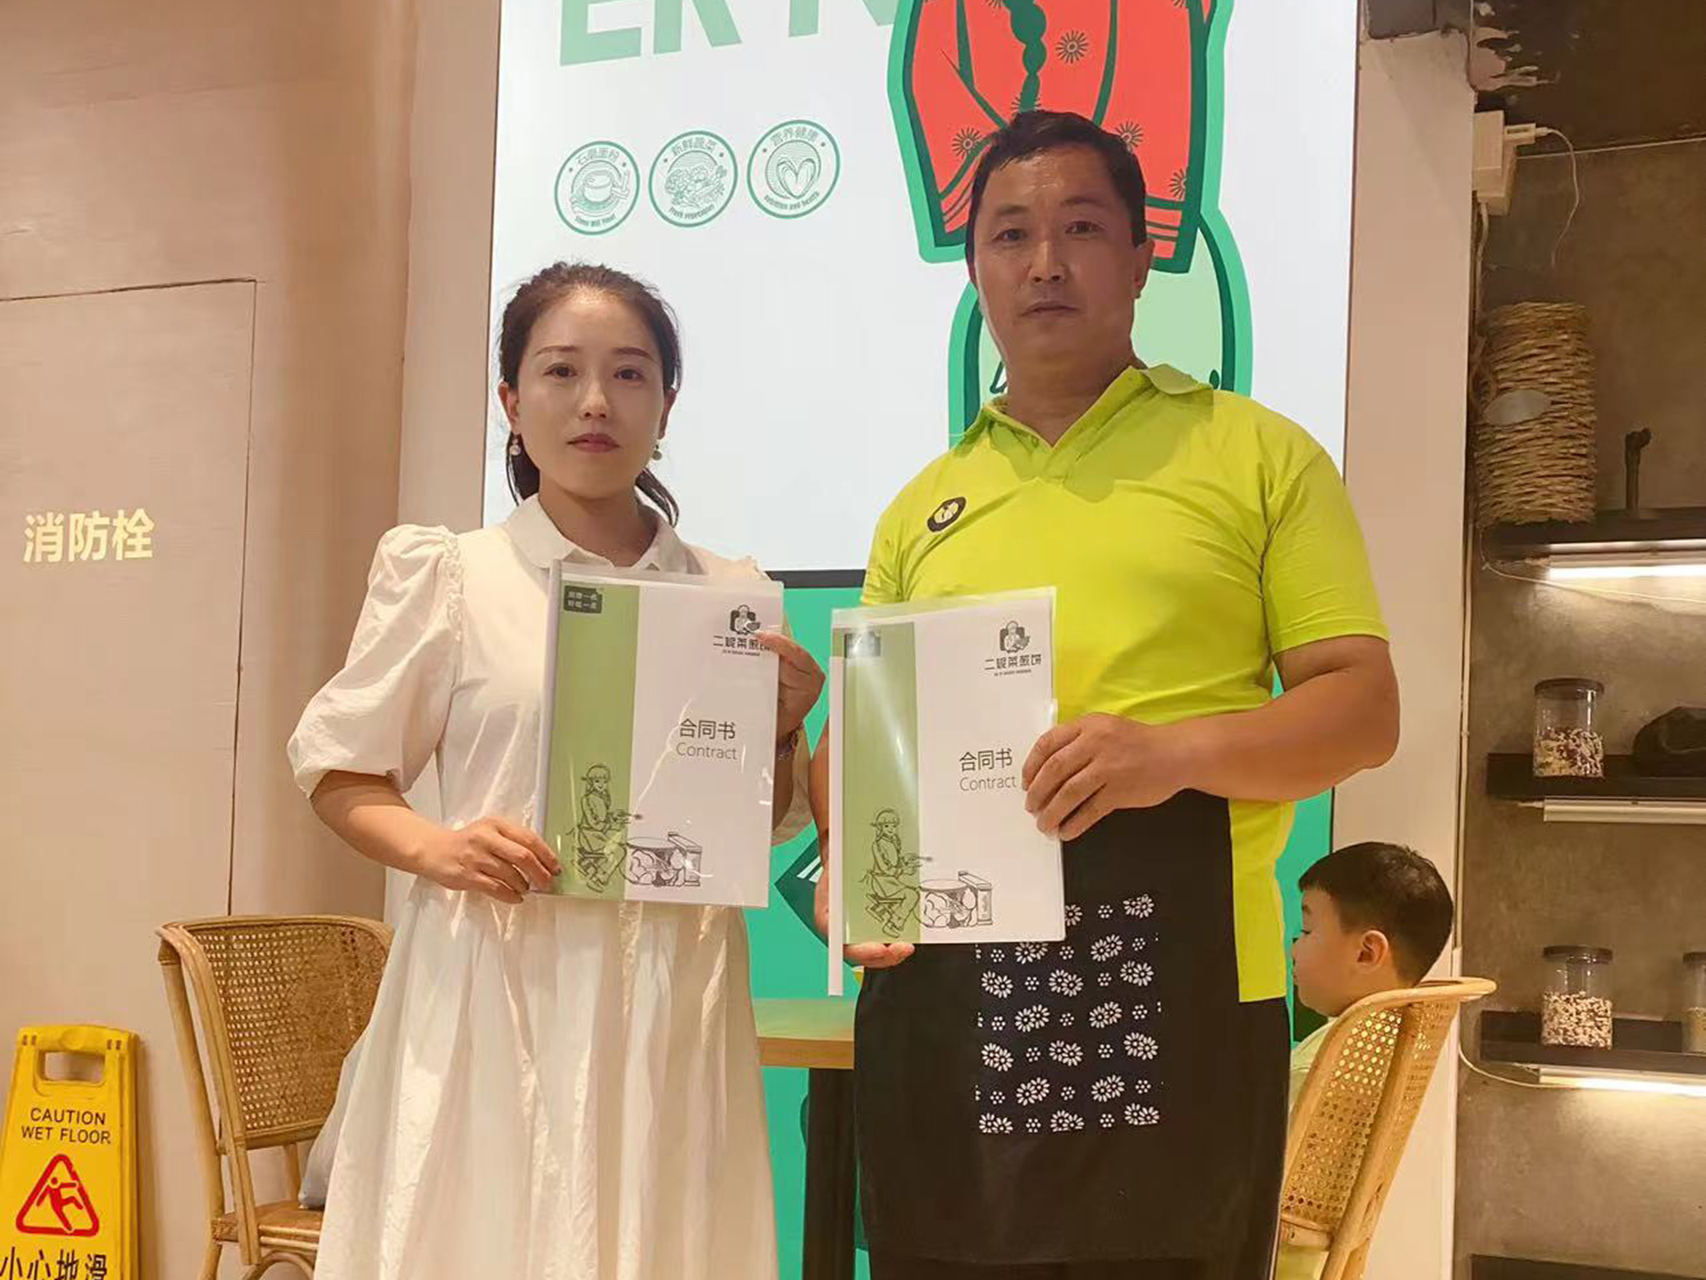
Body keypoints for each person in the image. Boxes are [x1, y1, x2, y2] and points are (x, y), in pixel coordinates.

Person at [815, 111, 1399, 1279]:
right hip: (950, 1000)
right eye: (1009, 234)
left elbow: (1361, 709)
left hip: (1179, 990)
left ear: (1141, 256)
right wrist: (847, 860)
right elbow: (861, 739)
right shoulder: (920, 506)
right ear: (973, 268)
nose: (1043, 262)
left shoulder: (1256, 454)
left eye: (1080, 228)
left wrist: (1169, 754)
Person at [287, 262, 823, 1280]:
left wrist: (784, 729)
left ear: (666, 405)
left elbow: (747, 831)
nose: (594, 402)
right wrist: (440, 848)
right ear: (510, 401)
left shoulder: (730, 594)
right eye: (561, 371)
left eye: (628, 373)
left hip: (672, 992)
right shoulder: (453, 574)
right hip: (496, 981)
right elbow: (339, 770)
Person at [1281, 843, 1455, 1279]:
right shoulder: (1384, 1043)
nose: (1294, 950)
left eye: (1306, 930)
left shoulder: (1328, 1066)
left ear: (1366, 953)